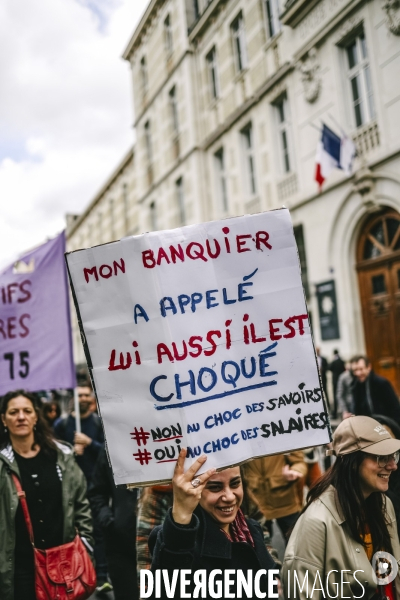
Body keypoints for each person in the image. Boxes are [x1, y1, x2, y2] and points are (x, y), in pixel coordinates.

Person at [282, 416, 400, 599]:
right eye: (381, 458)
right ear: (352, 462)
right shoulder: (316, 522)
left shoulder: (383, 504)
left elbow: (391, 576)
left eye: (393, 456)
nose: (393, 465)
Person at [0, 390, 93, 600]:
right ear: (4, 419)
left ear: (35, 417)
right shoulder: (2, 465)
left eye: (27, 411)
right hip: (19, 571)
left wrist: (86, 545)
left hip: (65, 567)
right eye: (13, 412)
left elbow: (81, 505)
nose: (21, 417)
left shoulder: (62, 457)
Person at [149, 449, 278, 599]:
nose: (229, 497)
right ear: (194, 489)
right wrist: (181, 518)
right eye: (215, 487)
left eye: (235, 484)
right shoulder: (176, 542)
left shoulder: (251, 530)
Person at [54, 382, 109, 594]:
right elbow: (53, 452)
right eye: (79, 396)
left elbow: (109, 452)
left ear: (91, 399)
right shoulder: (62, 424)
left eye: (86, 395)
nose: (83, 399)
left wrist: (90, 443)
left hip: (95, 486)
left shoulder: (98, 424)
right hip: (69, 488)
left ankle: (101, 575)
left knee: (98, 530)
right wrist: (70, 451)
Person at [89, 447, 138, 600]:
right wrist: (109, 521)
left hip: (163, 543)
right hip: (121, 545)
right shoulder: (111, 448)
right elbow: (97, 492)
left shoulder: (165, 444)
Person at [242, 451, 307, 541]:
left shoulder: (284, 436)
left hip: (285, 498)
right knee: (262, 544)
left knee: (294, 541)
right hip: (256, 500)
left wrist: (295, 471)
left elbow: (299, 462)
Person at [352, 355, 400, 422]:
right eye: (355, 370)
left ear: (369, 367)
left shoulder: (381, 383)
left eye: (361, 369)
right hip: (367, 426)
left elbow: (395, 408)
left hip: (384, 424)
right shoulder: (355, 386)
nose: (358, 373)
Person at [328, 349, 345, 418]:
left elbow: (329, 368)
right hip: (341, 381)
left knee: (335, 397)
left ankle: (335, 413)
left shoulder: (334, 361)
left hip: (335, 381)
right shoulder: (342, 361)